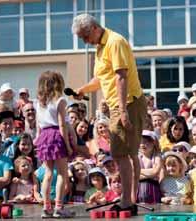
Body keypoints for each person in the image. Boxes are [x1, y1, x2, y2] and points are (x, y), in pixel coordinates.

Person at [72, 13, 146, 214]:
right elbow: (101, 79)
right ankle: (129, 200)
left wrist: (122, 110)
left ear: (94, 28)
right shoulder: (100, 48)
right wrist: (82, 90)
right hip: (119, 105)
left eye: (85, 36)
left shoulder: (115, 42)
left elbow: (121, 77)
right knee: (125, 153)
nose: (85, 41)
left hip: (127, 103)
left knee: (122, 153)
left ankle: (127, 201)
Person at [34, 71, 74, 218]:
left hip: (44, 136)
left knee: (48, 173)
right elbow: (62, 124)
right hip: (57, 135)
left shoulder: (39, 102)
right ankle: (59, 207)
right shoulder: (60, 100)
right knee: (62, 174)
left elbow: (38, 124)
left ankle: (46, 207)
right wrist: (68, 146)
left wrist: (38, 139)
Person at [137, 130, 162, 204]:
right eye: (140, 142)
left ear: (153, 143)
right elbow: (133, 176)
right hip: (139, 192)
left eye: (145, 142)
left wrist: (138, 171)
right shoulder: (137, 157)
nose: (142, 145)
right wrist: (150, 174)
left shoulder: (157, 156)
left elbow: (155, 172)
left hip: (153, 191)